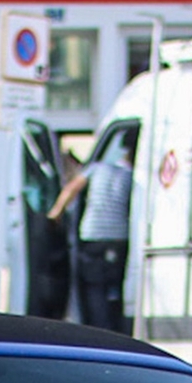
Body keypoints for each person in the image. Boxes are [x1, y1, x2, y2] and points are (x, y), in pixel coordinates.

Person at [51, 142, 132, 332]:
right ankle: (117, 327)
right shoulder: (131, 176)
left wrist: (55, 213)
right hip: (119, 237)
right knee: (115, 285)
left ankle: (98, 331)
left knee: (94, 286)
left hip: (93, 235)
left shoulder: (96, 169)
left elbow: (72, 188)